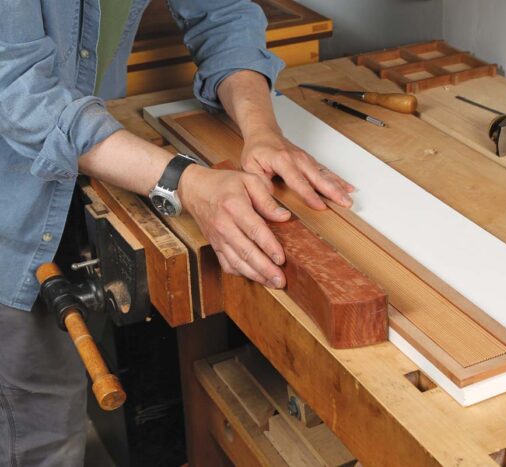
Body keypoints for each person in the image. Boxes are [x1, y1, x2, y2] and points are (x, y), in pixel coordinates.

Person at [0, 1, 353, 465]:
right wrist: (184, 182)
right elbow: (19, 91)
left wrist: (261, 130)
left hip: (74, 177)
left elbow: (221, 12)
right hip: (11, 210)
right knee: (42, 431)